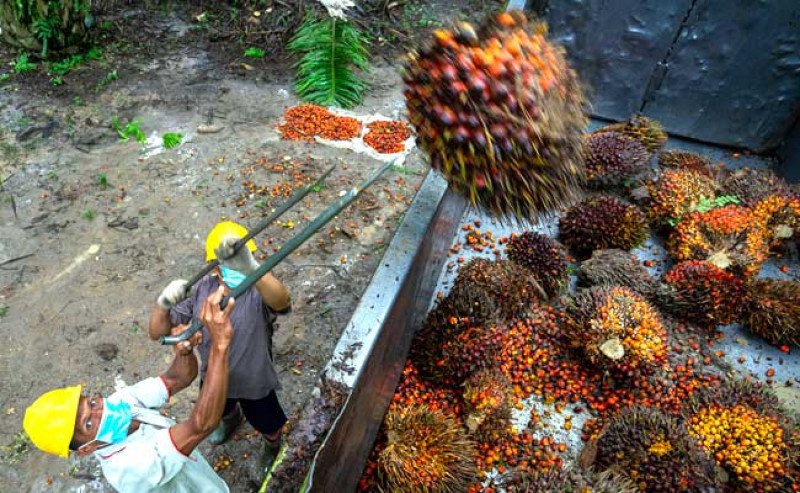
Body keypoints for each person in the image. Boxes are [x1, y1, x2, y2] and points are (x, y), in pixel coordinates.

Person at [23, 287, 235, 493]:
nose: (102, 412)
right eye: (89, 423)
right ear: (86, 449)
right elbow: (201, 425)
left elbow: (177, 378)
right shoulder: (130, 469)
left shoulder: (120, 403)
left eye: (92, 403)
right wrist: (220, 344)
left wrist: (184, 351)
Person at [148, 221, 291, 465]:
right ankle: (231, 419)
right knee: (220, 410)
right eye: (229, 262)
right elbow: (157, 333)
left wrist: (252, 270)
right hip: (215, 377)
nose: (236, 266)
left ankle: (272, 443)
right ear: (213, 268)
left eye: (245, 258)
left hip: (255, 380)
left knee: (268, 422)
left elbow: (282, 302)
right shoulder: (202, 290)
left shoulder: (259, 289)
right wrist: (163, 305)